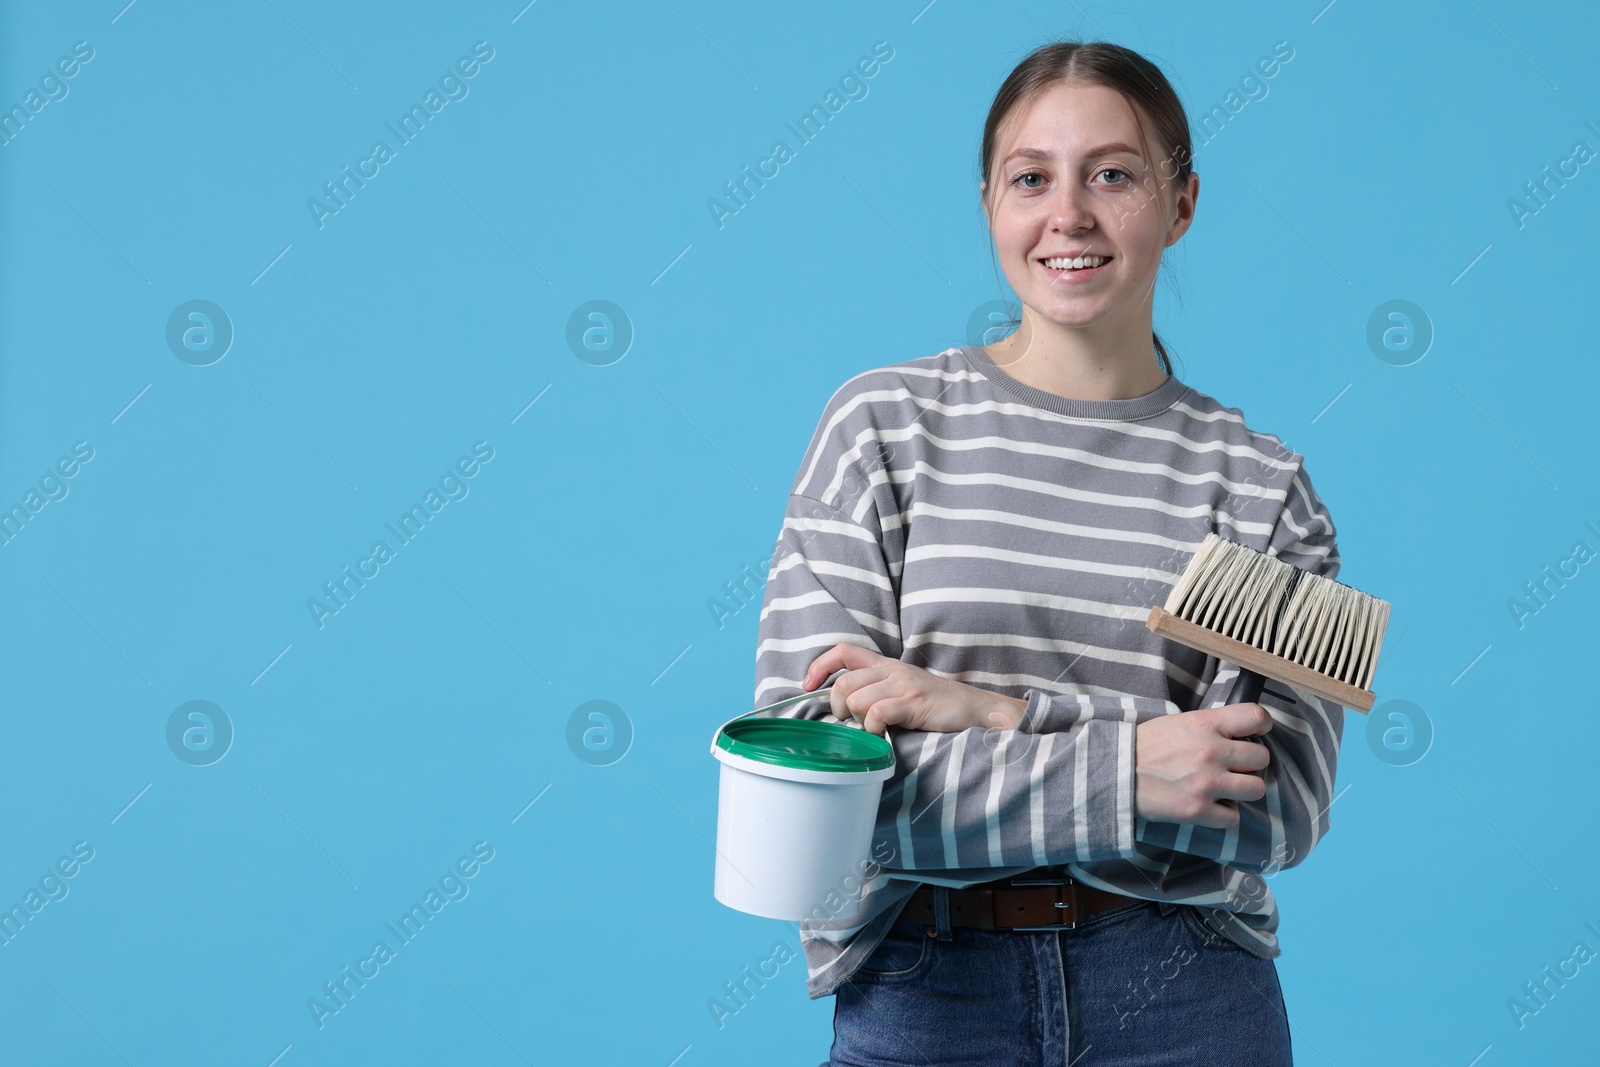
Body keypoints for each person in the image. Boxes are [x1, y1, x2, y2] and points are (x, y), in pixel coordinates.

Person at [751, 39, 1342, 1066]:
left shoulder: (1259, 485)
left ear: (1182, 203)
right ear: (990, 204)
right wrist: (1131, 773)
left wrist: (992, 712)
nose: (1068, 213)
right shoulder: (882, 430)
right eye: (1032, 178)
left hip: (1186, 997)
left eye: (1112, 174)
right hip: (926, 995)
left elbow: (1278, 806)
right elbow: (809, 810)